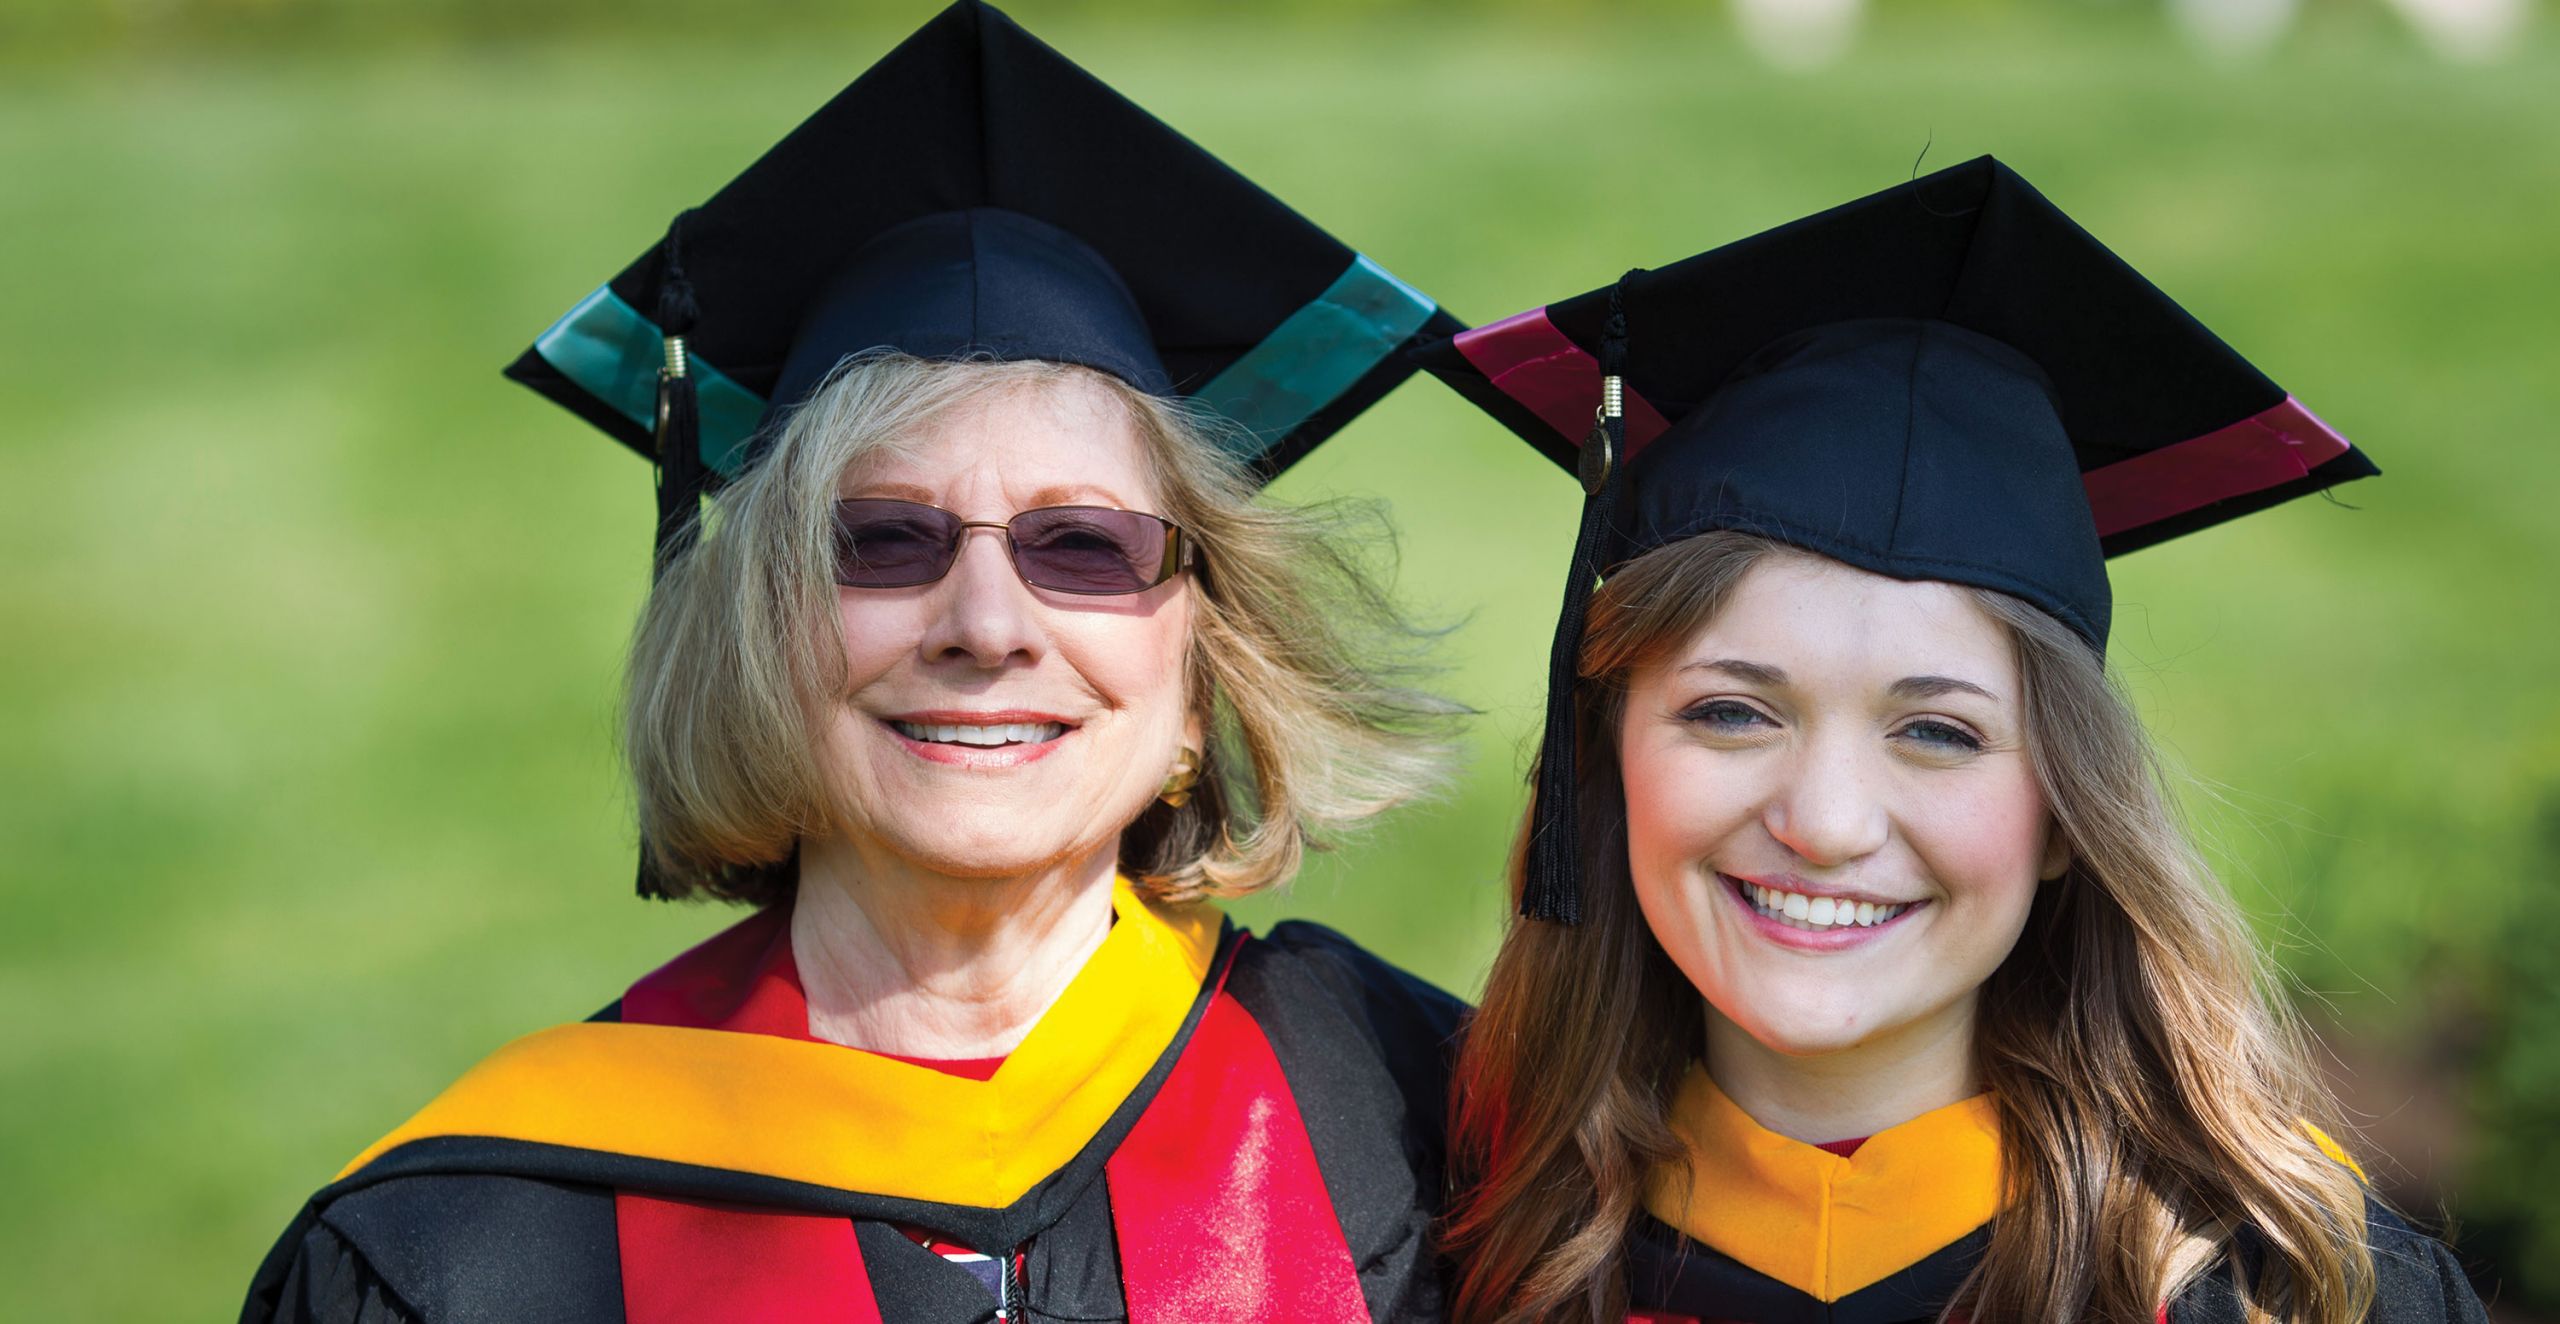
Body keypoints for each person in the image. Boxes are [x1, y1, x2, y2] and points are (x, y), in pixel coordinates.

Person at [241, 4, 1470, 1320]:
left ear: (1201, 670)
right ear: (754, 636)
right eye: (884, 541)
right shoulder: (468, 1250)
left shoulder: (1417, 1117)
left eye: (1084, 546)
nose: (987, 624)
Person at [1416, 157, 2487, 1322]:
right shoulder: (1451, 1249)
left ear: (2066, 819)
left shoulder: (2297, 1294)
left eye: (1936, 731)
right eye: (1731, 711)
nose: (1824, 822)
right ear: (1607, 760)